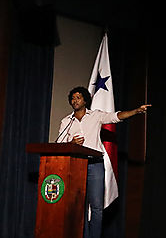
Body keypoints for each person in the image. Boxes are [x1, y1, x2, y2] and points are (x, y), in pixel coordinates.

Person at [57, 86, 151, 238]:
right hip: (75, 166)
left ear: (85, 100)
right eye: (73, 98)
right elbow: (59, 145)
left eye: (78, 97)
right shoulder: (66, 121)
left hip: (95, 166)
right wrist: (72, 143)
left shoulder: (96, 116)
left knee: (96, 207)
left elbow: (116, 116)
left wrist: (135, 111)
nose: (75, 100)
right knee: (79, 207)